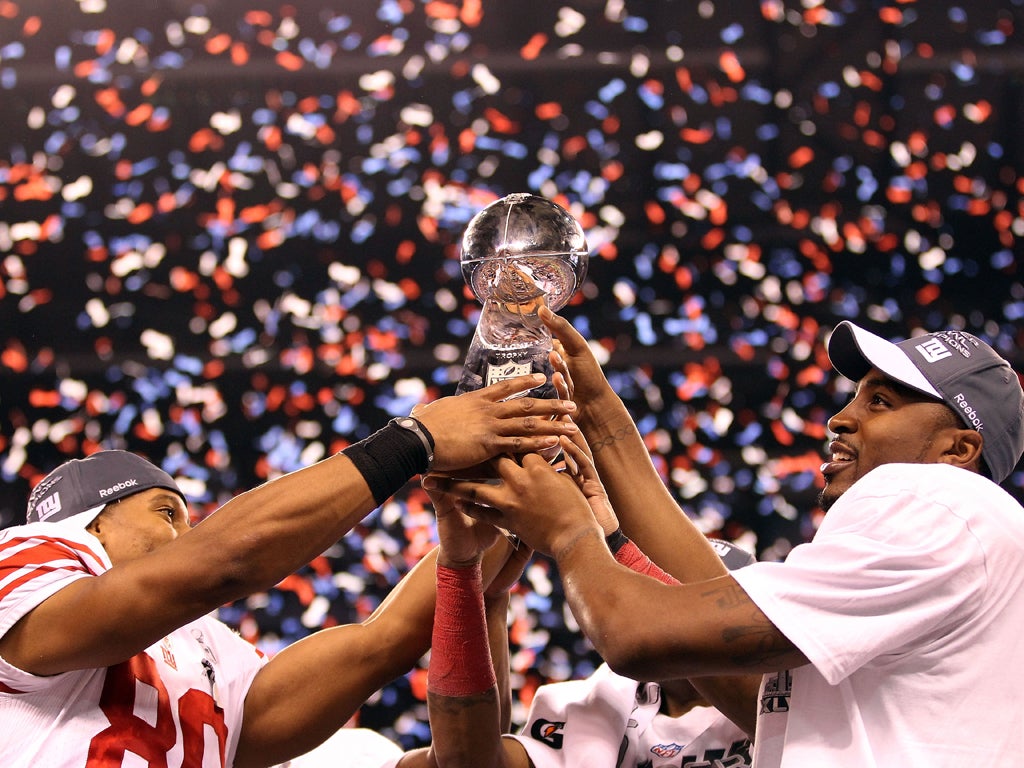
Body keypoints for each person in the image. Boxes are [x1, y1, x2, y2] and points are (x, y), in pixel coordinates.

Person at [426, 312, 1024, 767]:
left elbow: (639, 636)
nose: (841, 418)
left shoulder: (941, 503)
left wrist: (566, 530)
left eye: (882, 403)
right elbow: (706, 588)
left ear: (957, 450)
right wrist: (600, 413)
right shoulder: (960, 551)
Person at [0, 372, 579, 768]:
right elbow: (223, 562)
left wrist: (495, 519)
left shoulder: (203, 651)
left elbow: (380, 645)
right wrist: (415, 442)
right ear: (90, 524)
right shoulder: (24, 559)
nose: (185, 533)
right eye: (165, 512)